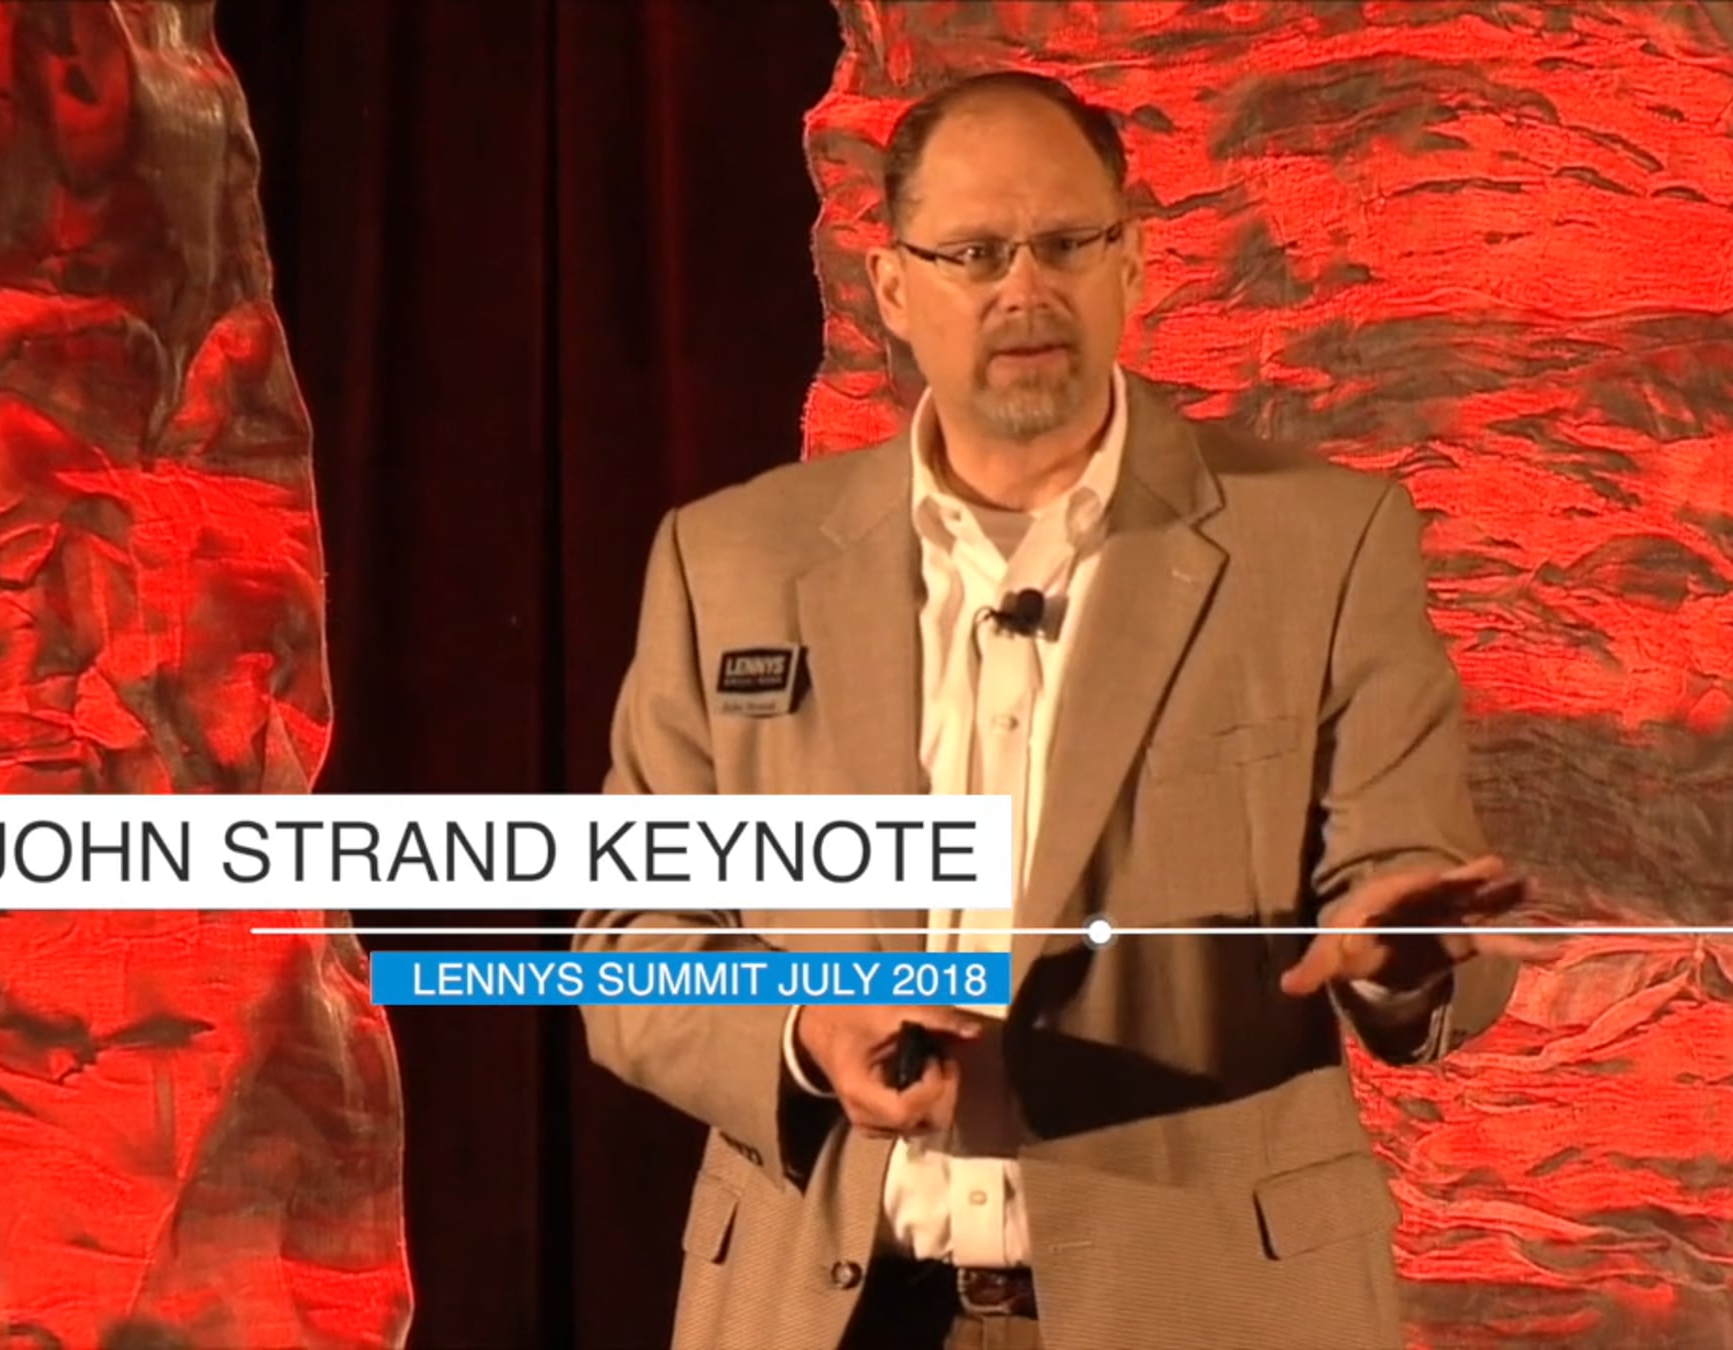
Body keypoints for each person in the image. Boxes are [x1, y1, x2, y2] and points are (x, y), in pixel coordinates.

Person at [575, 70, 1542, 1350]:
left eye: (1067, 244)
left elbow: (1405, 891)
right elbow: (630, 940)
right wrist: (805, 1032)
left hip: (1208, 1312)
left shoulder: (1324, 544)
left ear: (1132, 260)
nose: (1025, 289)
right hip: (832, 1313)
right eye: (976, 252)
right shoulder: (729, 561)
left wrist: (1407, 957)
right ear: (892, 287)